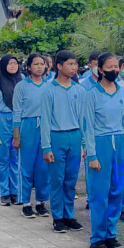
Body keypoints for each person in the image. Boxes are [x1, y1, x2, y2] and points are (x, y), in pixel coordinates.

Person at [81, 52, 124, 248]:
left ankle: (111, 234)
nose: (114, 71)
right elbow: (87, 126)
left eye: (116, 66)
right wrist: (92, 155)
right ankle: (97, 237)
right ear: (99, 69)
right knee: (99, 193)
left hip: (120, 141)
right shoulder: (91, 94)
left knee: (117, 191)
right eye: (109, 67)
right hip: (100, 143)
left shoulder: (123, 92)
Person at [41, 50, 86, 233]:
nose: (74, 68)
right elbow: (45, 120)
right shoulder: (49, 90)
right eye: (70, 64)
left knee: (71, 179)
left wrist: (84, 144)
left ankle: (69, 215)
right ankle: (58, 217)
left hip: (74, 136)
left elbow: (83, 119)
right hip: (56, 136)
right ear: (59, 66)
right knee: (57, 179)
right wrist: (46, 146)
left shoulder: (79, 89)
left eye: (75, 64)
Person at [13, 53, 51, 218]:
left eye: (42, 64)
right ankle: (26, 202)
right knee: (26, 166)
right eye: (35, 64)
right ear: (29, 67)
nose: (39, 67)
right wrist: (16, 135)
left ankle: (41, 201)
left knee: (43, 167)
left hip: (46, 125)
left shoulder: (49, 86)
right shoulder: (21, 86)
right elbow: (17, 111)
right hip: (27, 125)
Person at [0, 54, 22, 206]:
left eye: (15, 63)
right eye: (9, 63)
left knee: (15, 157)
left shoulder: (21, 81)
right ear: (3, 66)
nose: (13, 66)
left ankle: (15, 191)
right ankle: (4, 192)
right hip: (1, 120)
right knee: (2, 158)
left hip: (18, 121)